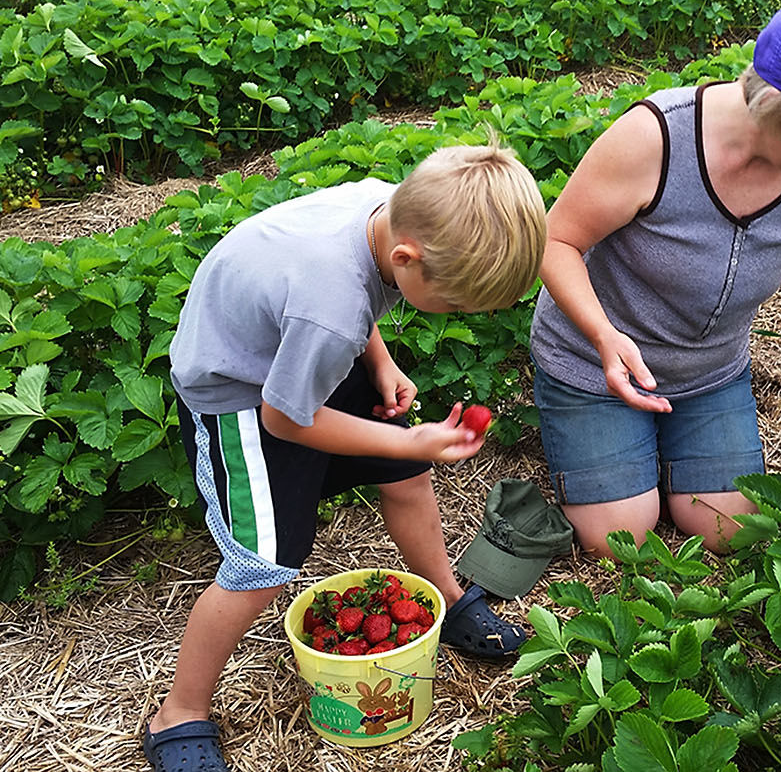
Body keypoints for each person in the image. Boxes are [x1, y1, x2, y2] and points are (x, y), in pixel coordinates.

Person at [143, 140, 548, 772]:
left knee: (406, 475)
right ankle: (179, 710)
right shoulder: (328, 309)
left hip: (301, 350)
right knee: (263, 565)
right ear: (408, 259)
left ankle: (444, 591)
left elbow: (356, 301)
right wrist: (411, 438)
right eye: (457, 305)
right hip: (242, 391)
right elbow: (287, 418)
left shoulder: (385, 207)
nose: (459, 315)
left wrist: (380, 362)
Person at [529, 0, 781, 558]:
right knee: (624, 542)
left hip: (708, 373)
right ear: (779, 104)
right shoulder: (657, 138)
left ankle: (669, 452)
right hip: (597, 365)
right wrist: (603, 335)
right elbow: (555, 240)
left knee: (729, 530)